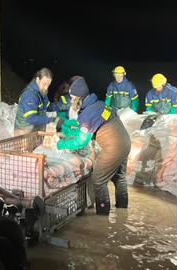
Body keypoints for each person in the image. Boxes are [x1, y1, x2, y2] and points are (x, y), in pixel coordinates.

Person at [56, 77, 131, 215]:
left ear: (79, 98)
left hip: (113, 147)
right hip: (126, 142)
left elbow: (81, 141)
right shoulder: (100, 104)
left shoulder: (88, 113)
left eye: (73, 98)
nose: (71, 101)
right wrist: (72, 128)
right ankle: (122, 210)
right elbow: (92, 126)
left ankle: (102, 216)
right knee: (119, 177)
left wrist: (62, 144)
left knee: (98, 179)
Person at [14, 68, 59, 135]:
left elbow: (47, 106)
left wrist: (60, 106)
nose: (46, 87)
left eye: (48, 85)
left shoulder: (42, 92)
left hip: (35, 127)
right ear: (38, 79)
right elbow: (31, 118)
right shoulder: (29, 95)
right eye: (44, 84)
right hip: (24, 130)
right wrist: (52, 119)